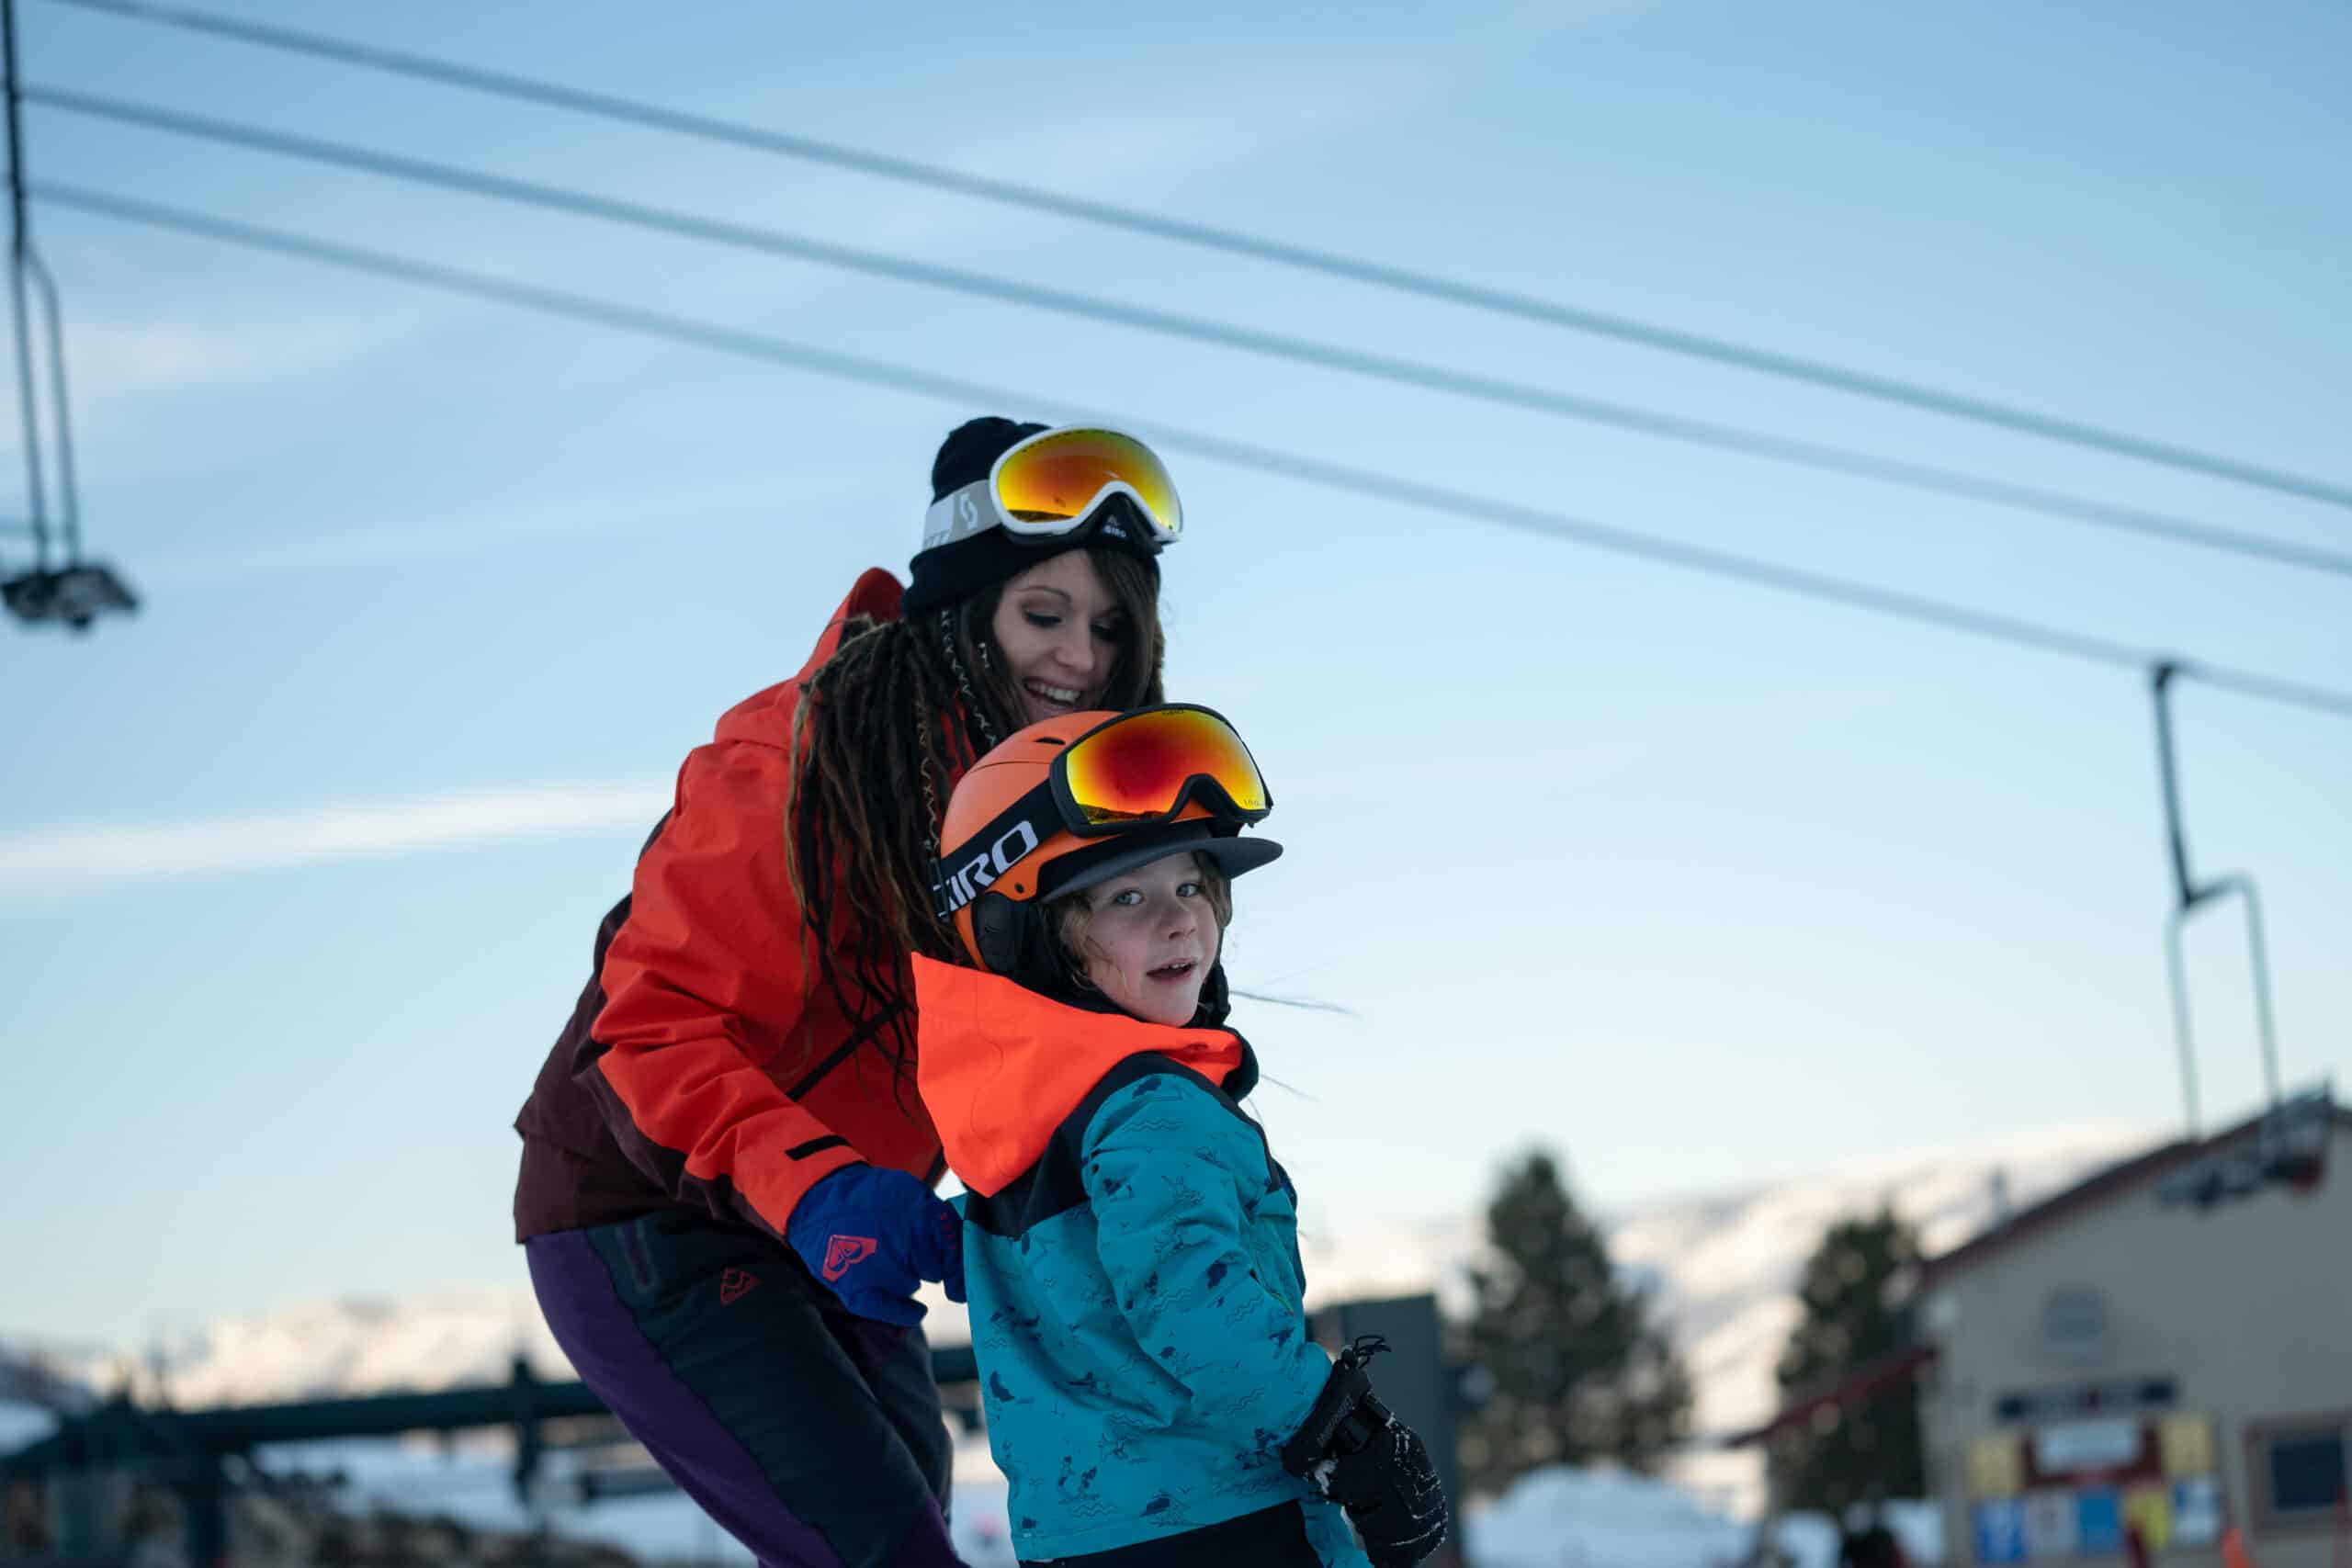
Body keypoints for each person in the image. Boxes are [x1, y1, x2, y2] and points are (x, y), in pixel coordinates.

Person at [511, 419, 1185, 1567]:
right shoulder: (802, 761)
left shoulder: (1051, 799)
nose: (1080, 657)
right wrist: (818, 1188)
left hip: (845, 1228)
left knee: (907, 1521)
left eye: (1110, 626)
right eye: (1044, 614)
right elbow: (648, 1027)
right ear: (966, 608)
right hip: (654, 1210)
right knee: (884, 1553)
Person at [913, 705, 1452, 1568]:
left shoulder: (1017, 1131)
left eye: (1192, 886)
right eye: (1128, 895)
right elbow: (1190, 1301)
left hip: (1078, 1536)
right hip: (1230, 1518)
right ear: (1041, 937)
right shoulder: (1150, 1106)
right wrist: (1347, 1434)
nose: (1177, 920)